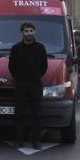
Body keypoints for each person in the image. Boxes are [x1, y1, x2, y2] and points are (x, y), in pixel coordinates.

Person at [9, 21, 49, 149]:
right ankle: (19, 140)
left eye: (31, 31)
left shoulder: (40, 48)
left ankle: (36, 141)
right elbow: (11, 67)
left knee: (36, 114)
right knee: (19, 114)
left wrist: (36, 76)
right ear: (22, 33)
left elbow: (44, 66)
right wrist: (19, 78)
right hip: (20, 84)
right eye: (26, 31)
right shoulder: (16, 48)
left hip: (35, 84)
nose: (29, 33)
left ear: (34, 32)